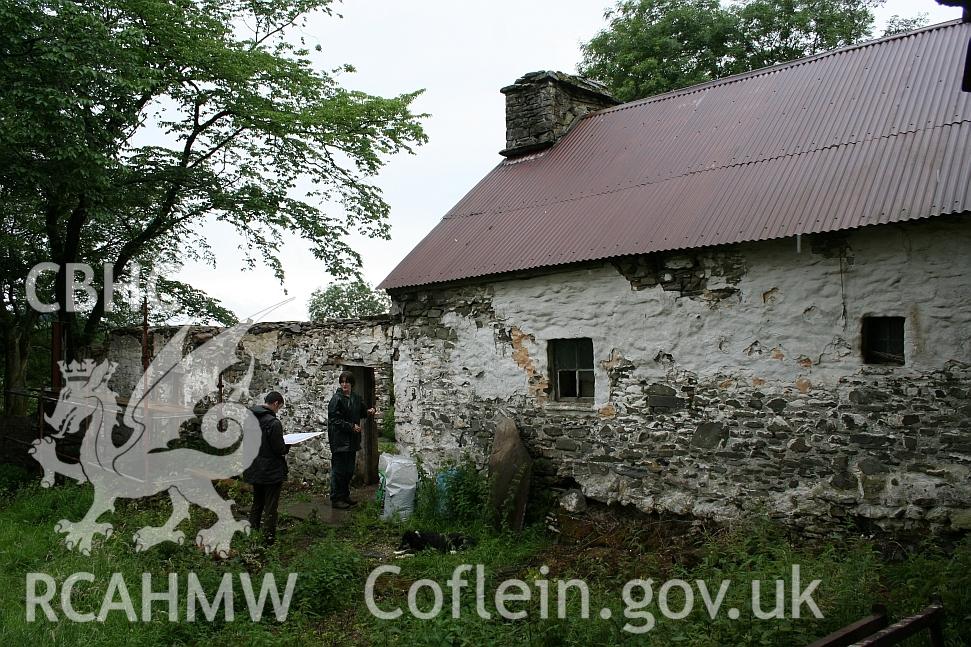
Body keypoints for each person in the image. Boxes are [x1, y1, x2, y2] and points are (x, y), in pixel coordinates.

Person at [242, 391, 289, 544]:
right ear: (275, 403)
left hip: (253, 466)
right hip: (270, 470)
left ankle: (252, 532)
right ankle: (268, 538)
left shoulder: (249, 419)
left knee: (257, 502)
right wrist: (287, 446)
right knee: (270, 505)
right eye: (279, 408)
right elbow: (279, 448)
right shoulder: (273, 423)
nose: (278, 411)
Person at [328, 371, 374, 509]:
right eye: (342, 382)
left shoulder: (356, 398)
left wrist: (369, 412)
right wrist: (350, 426)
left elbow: (361, 412)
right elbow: (334, 420)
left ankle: (345, 495)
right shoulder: (336, 399)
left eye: (347, 382)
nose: (344, 384)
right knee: (339, 471)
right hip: (339, 441)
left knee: (348, 470)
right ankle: (336, 498)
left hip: (352, 440)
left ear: (352, 384)